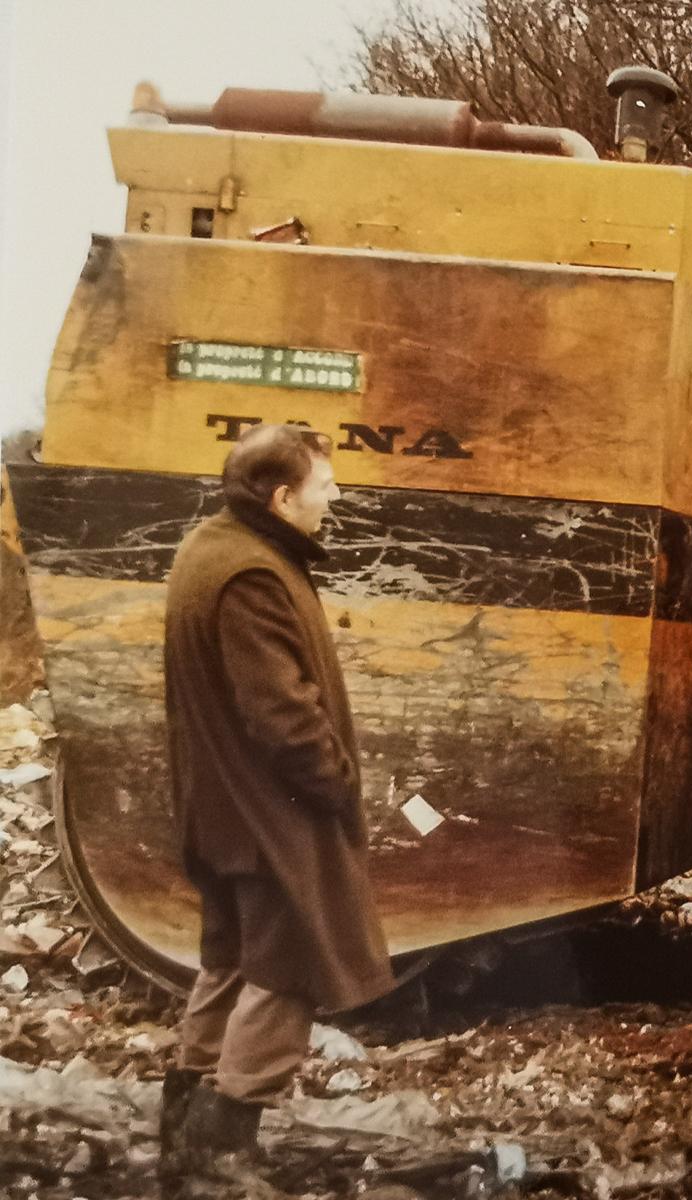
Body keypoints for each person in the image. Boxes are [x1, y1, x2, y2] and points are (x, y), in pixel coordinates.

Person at [159, 425, 393, 1186]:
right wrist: (337, 782)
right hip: (270, 815)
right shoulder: (253, 574)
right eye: (325, 485)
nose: (336, 497)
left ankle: (184, 1126)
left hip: (222, 807)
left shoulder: (210, 548)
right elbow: (280, 715)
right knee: (289, 966)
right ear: (282, 495)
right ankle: (223, 1148)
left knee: (230, 959)